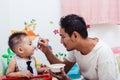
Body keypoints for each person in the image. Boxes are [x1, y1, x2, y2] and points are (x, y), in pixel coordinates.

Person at [37, 14, 120, 80]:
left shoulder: (103, 53)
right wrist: (47, 51)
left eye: (63, 37)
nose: (61, 41)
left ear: (75, 36)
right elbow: (63, 69)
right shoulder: (76, 48)